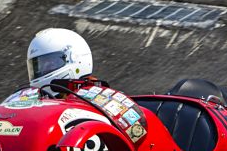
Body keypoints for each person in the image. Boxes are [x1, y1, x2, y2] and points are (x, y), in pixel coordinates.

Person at [17, 28, 148, 143]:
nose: (43, 68)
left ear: (74, 58)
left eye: (49, 63)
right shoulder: (32, 97)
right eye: (38, 65)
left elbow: (137, 132)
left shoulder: (101, 96)